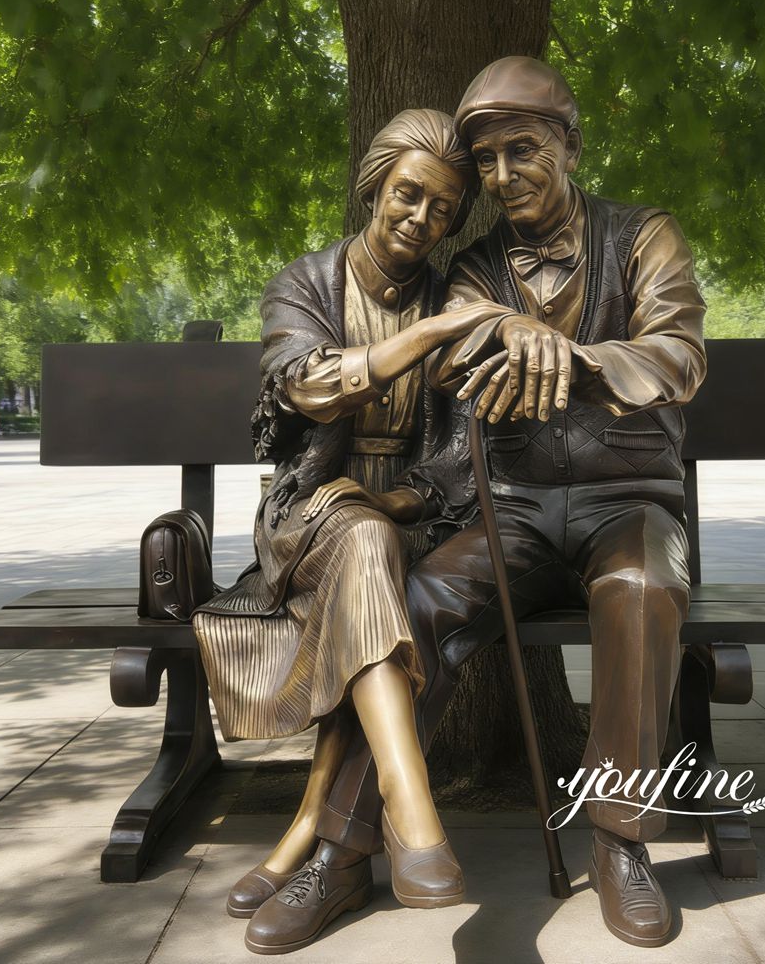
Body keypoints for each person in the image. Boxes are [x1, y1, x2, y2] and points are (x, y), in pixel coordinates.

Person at [302, 57, 707, 950]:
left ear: (568, 145)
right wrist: (510, 328)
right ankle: (343, 847)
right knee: (416, 605)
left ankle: (620, 842)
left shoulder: (645, 237)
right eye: (486, 161)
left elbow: (677, 356)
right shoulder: (477, 264)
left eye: (522, 150)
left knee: (642, 591)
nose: (501, 176)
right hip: (513, 508)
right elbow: (457, 350)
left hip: (628, 502)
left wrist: (582, 360)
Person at [192, 108, 507, 956]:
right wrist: (431, 333)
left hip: (407, 515)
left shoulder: (452, 287)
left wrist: (403, 500)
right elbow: (312, 390)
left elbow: (461, 442)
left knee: (369, 571)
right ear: (376, 185)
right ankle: (411, 808)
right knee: (360, 553)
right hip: (308, 513)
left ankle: (306, 835)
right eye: (409, 195)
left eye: (444, 209)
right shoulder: (302, 284)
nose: (423, 220)